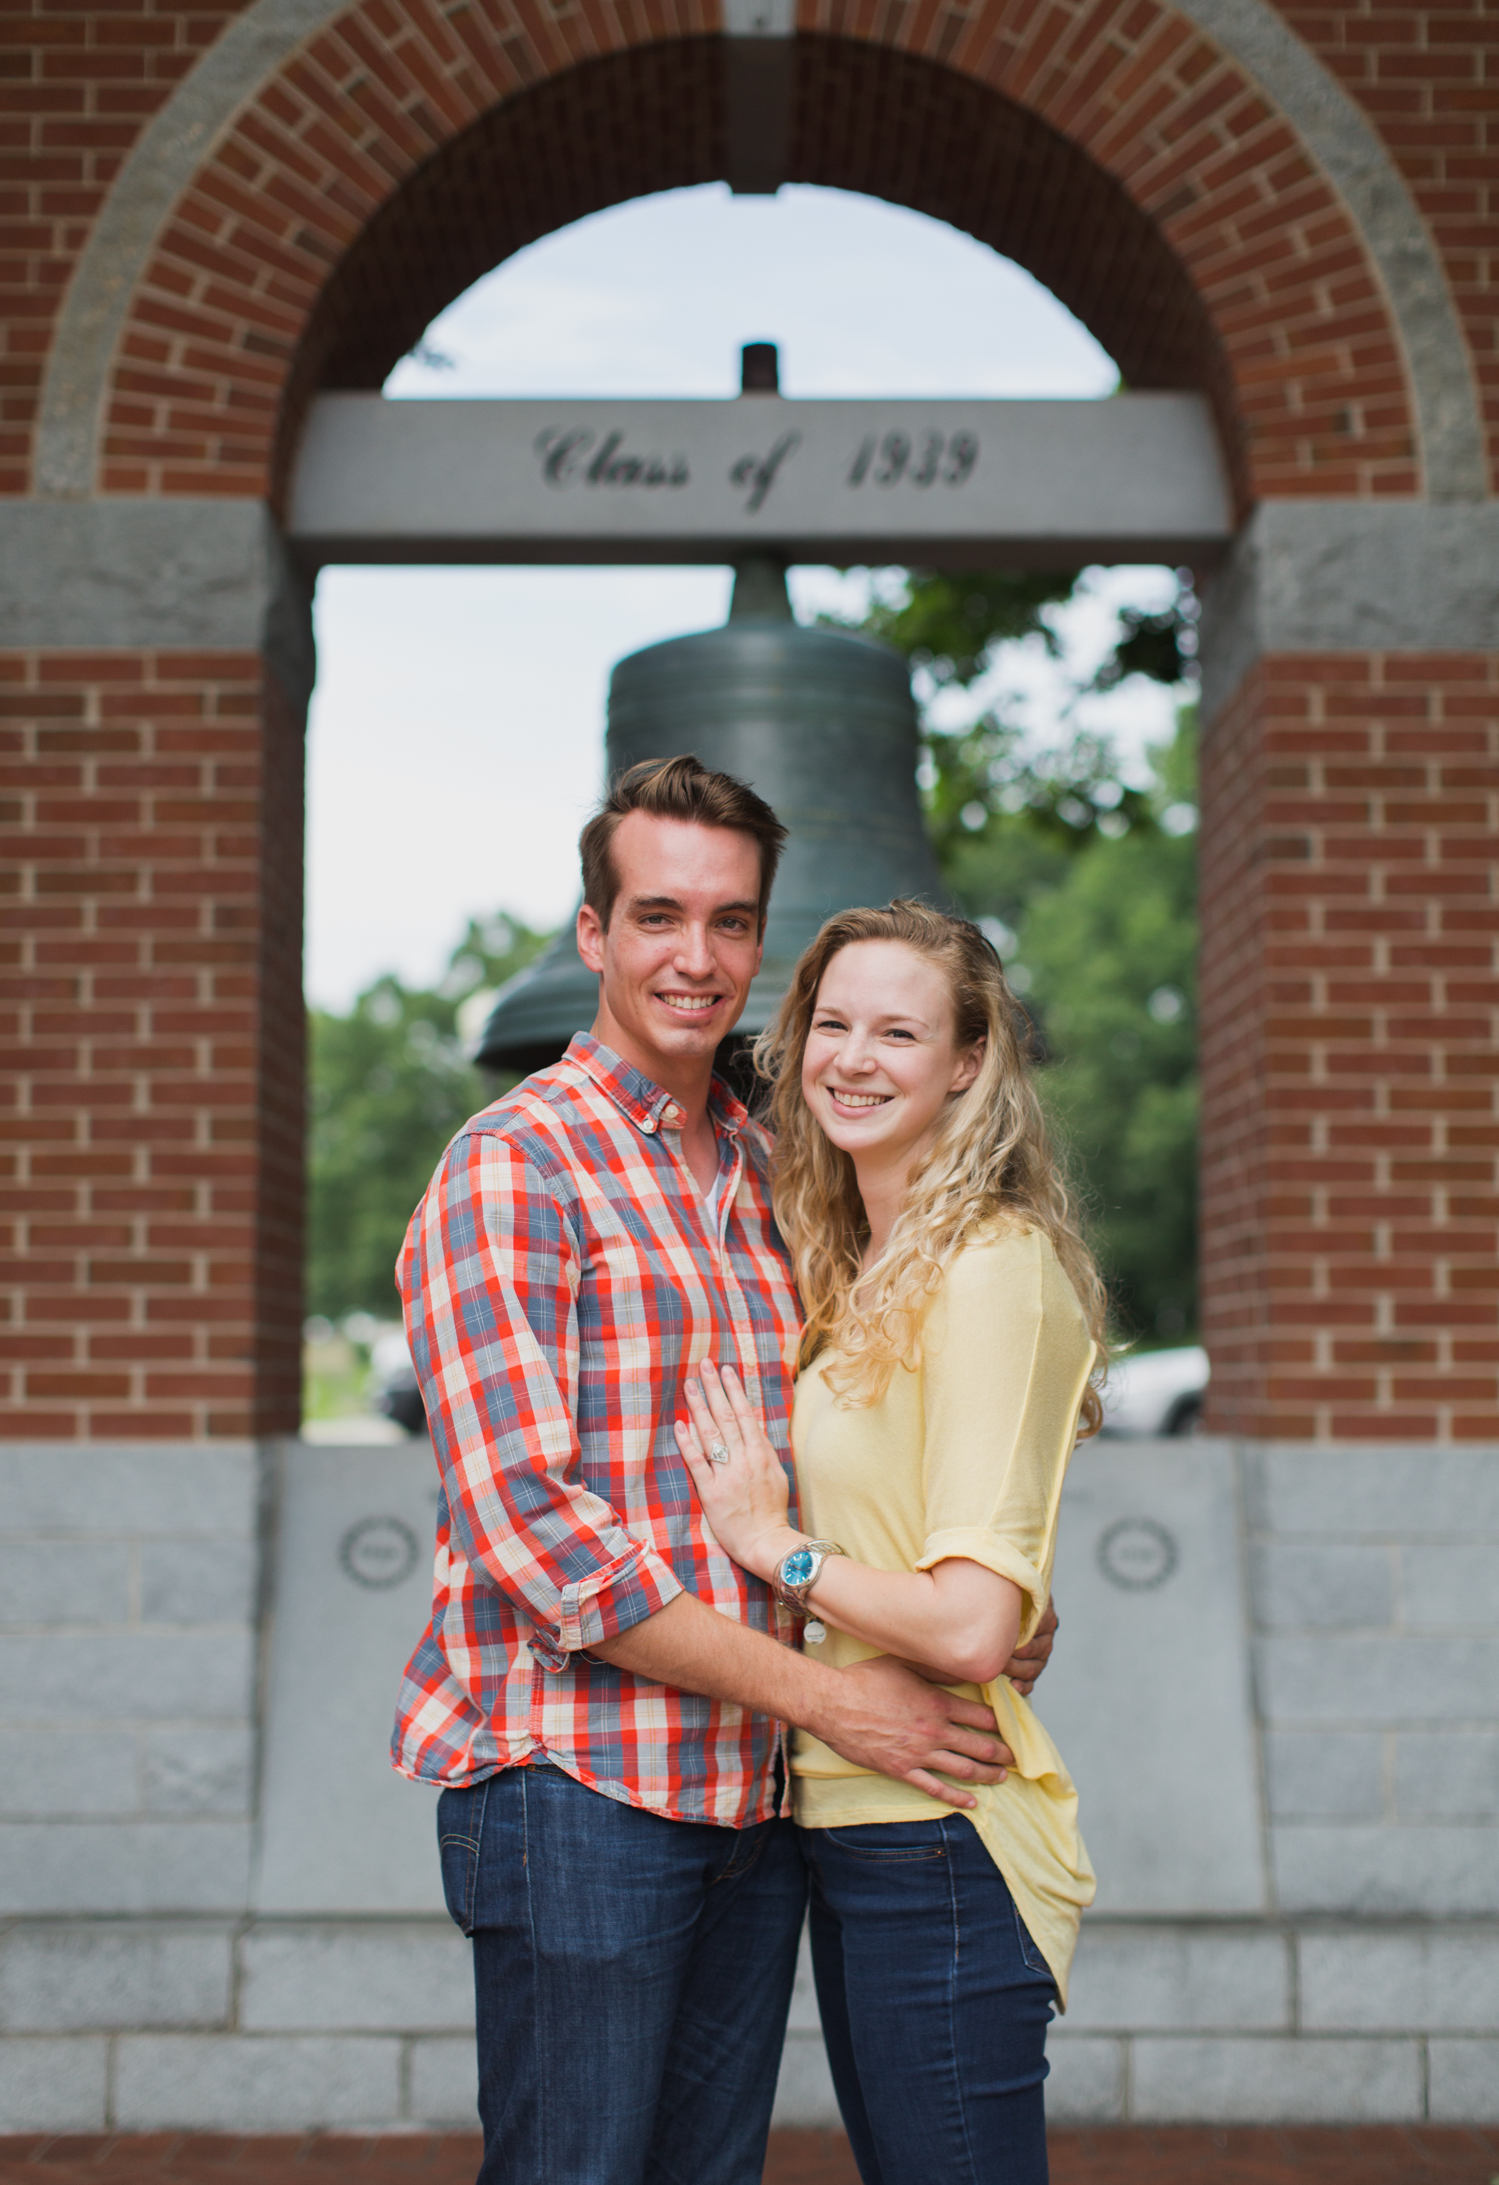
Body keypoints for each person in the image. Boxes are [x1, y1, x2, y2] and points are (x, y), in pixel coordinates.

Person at [390, 758, 1056, 2185]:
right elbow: (539, 1542)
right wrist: (840, 1699)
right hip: (580, 1796)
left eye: (732, 923)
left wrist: (974, 1595)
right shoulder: (515, 1172)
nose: (696, 959)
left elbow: (824, 1459)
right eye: (656, 916)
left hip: (750, 1802)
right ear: (592, 934)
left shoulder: (767, 1174)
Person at [676, 899, 1103, 2185]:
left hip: (943, 1831)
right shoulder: (855, 1265)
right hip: (848, 1815)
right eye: (832, 1022)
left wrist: (776, 1549)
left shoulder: (990, 1262)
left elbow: (971, 1623)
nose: (852, 1057)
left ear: (967, 1061)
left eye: (899, 1031)